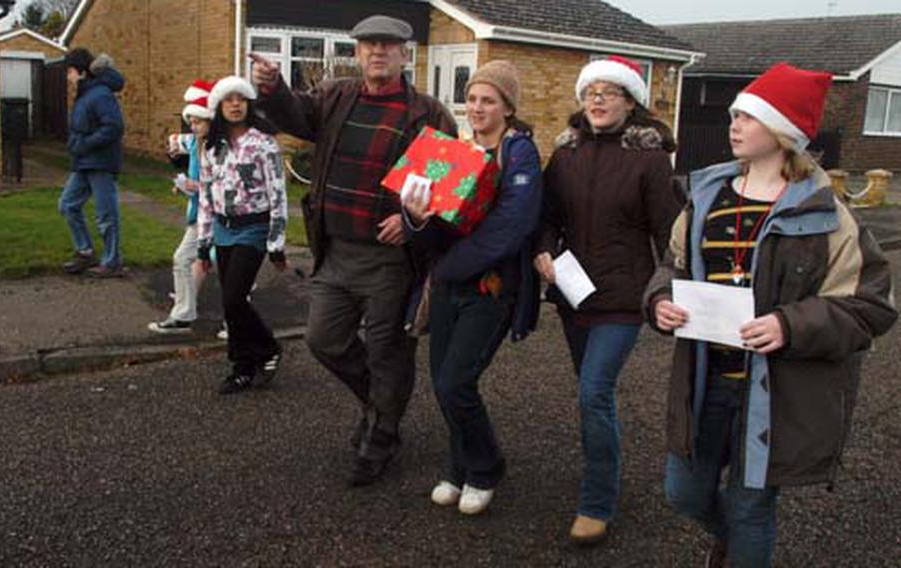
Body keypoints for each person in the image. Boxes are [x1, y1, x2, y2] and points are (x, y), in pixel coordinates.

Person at [643, 63, 898, 567]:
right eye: (734, 115)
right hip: (704, 380)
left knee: (751, 505)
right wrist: (660, 301)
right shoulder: (706, 198)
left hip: (778, 392)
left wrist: (789, 324)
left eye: (747, 117)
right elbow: (671, 266)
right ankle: (735, 541)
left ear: (782, 131)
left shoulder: (826, 214)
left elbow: (870, 306)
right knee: (684, 493)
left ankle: (741, 545)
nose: (732, 125)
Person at [251, 15, 456, 486]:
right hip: (337, 249)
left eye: (387, 45)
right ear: (357, 53)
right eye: (367, 46)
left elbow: (444, 187)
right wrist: (274, 86)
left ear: (406, 54)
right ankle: (381, 405)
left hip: (388, 259)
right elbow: (296, 116)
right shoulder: (338, 95)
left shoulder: (427, 112)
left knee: (387, 350)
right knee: (323, 338)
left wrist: (408, 222)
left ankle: (381, 435)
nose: (376, 53)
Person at [533, 56, 681, 543]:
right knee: (592, 395)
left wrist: (669, 291)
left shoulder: (650, 160)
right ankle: (603, 464)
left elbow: (671, 234)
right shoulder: (566, 155)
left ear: (629, 102)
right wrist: (543, 251)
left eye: (609, 91)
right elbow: (548, 216)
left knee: (593, 392)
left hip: (624, 298)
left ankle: (598, 500)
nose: (597, 99)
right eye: (590, 91)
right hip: (575, 294)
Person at [403, 61, 542, 515]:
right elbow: (432, 234)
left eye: (489, 100)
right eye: (473, 98)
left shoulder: (519, 153)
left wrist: (450, 267)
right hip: (447, 284)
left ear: (507, 107)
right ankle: (458, 467)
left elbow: (513, 224)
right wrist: (417, 216)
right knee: (444, 382)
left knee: (455, 382)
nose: (477, 107)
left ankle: (485, 467)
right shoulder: (454, 151)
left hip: (488, 287)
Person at [197, 76, 288, 395]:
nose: (235, 104)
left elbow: (278, 193)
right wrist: (203, 242)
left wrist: (276, 243)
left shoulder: (263, 143)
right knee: (230, 304)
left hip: (254, 228)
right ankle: (242, 367)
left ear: (249, 104)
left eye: (241, 99)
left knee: (234, 298)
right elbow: (207, 197)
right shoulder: (211, 146)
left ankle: (268, 348)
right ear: (219, 107)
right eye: (228, 99)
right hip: (223, 228)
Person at [149, 79, 215, 334]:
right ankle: (183, 315)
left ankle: (241, 325)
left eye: (197, 121)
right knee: (183, 259)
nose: (192, 126)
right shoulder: (196, 142)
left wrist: (195, 186)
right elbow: (176, 141)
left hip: (222, 219)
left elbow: (225, 187)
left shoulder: (219, 148)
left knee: (233, 271)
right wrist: (186, 184)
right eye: (191, 121)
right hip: (200, 215)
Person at [59, 48, 126, 278]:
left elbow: (114, 127)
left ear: (80, 71)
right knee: (67, 205)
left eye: (69, 71)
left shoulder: (100, 94)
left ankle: (112, 262)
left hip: (100, 163)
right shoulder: (87, 93)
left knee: (105, 214)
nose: (68, 77)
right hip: (84, 163)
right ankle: (86, 252)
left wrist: (84, 144)